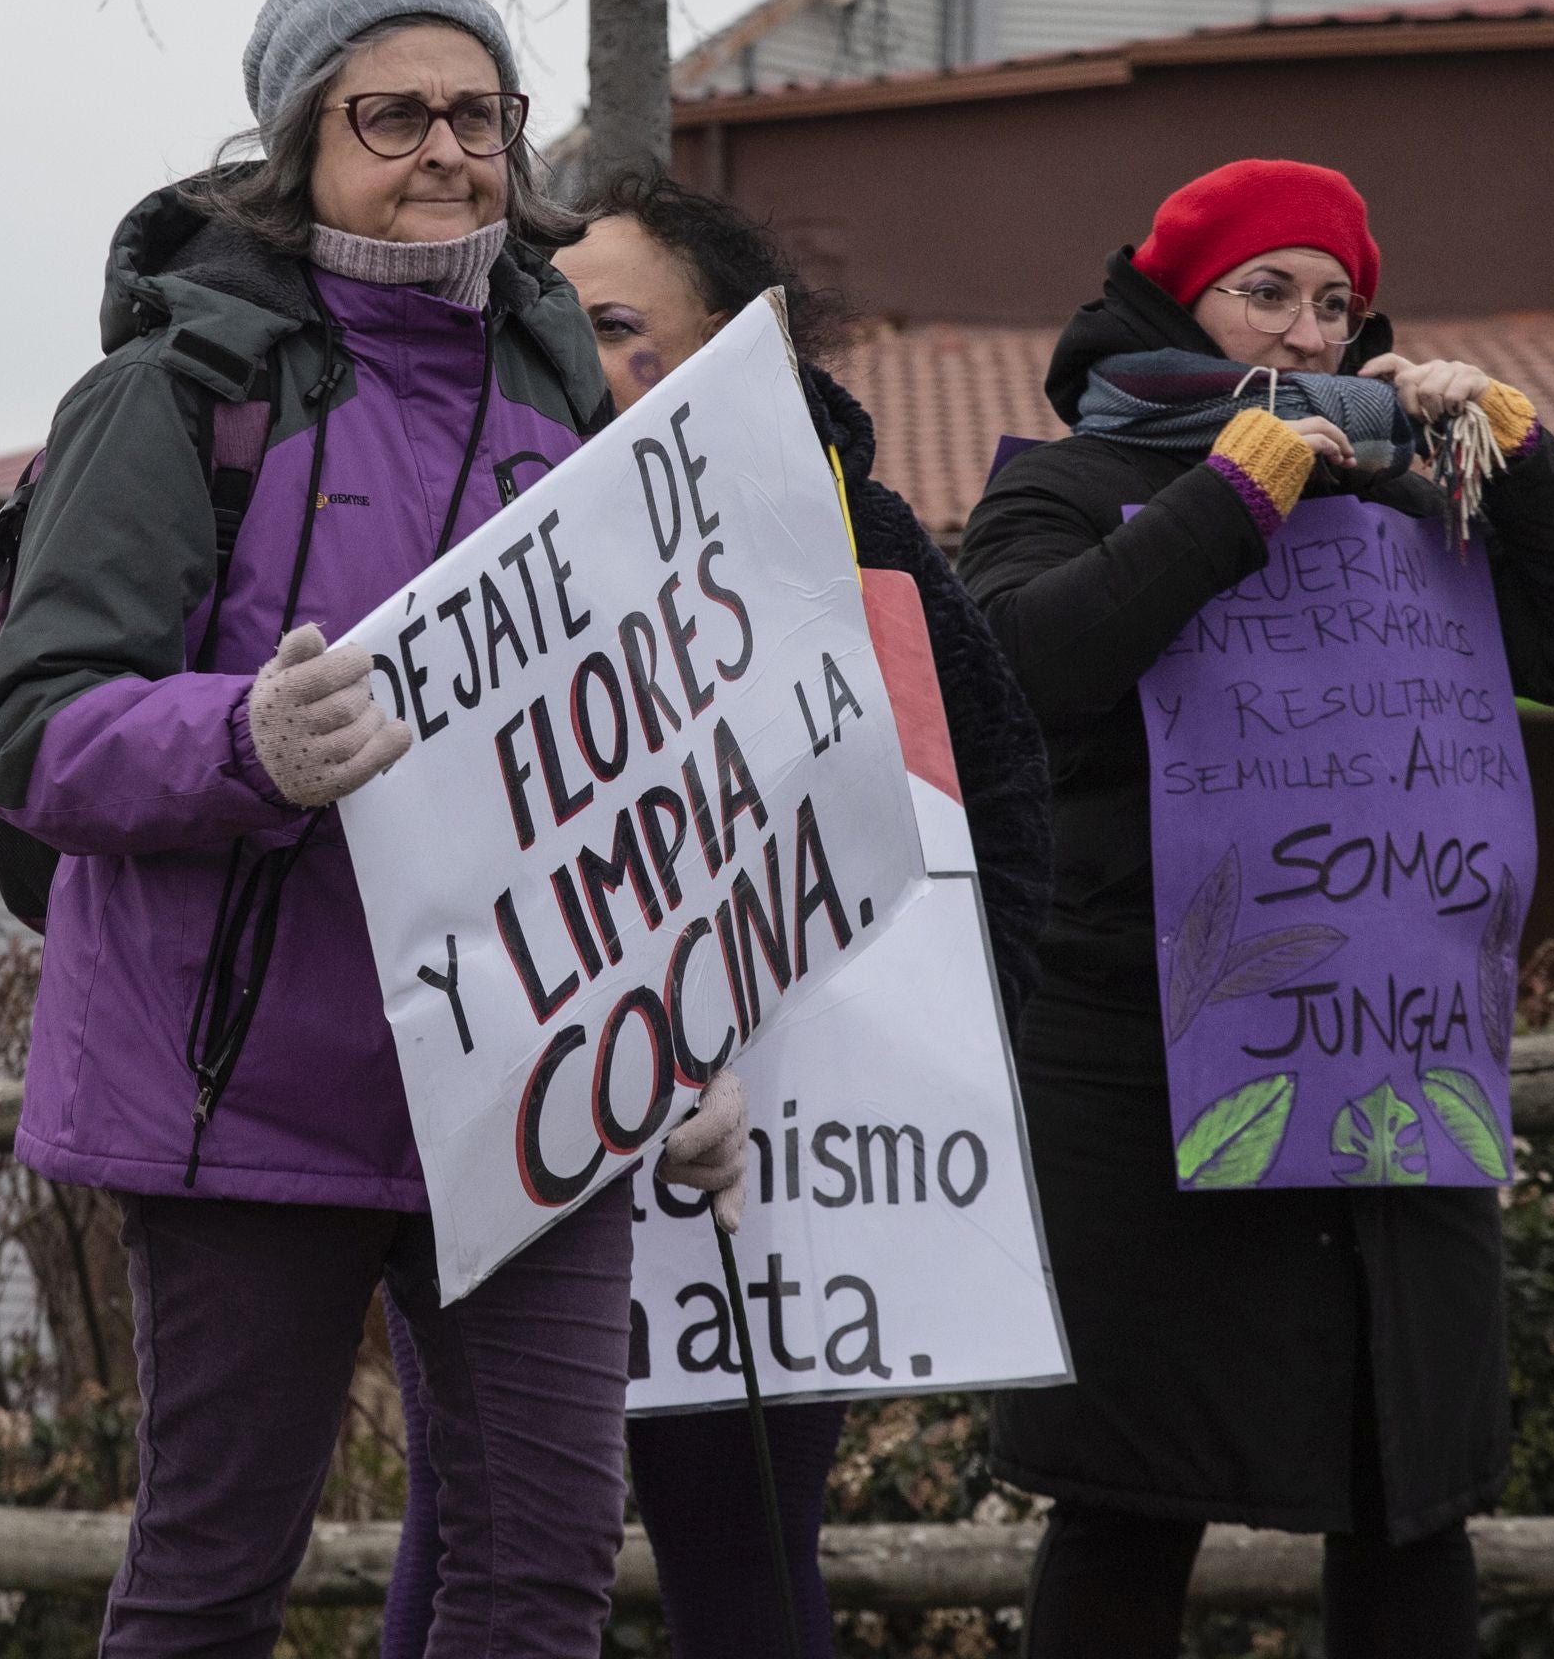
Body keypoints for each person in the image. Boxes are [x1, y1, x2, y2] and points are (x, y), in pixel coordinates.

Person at [0, 0, 746, 1659]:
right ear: (299, 144)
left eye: (478, 113)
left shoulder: (569, 404)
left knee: (542, 1577)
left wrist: (671, 1027)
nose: (445, 152)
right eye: (389, 114)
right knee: (213, 1577)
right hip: (248, 1089)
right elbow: (36, 731)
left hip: (529, 1084)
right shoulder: (170, 395)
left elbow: (633, 760)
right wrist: (240, 739)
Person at [953, 159, 1554, 1657]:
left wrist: (1520, 456)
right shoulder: (1063, 483)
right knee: (1124, 1502)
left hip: (1384, 1071)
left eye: (1337, 301)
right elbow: (1018, 679)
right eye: (1264, 292)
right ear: (1174, 302)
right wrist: (1227, 502)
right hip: (1147, 1090)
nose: (1309, 332)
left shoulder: (1414, 498)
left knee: (1409, 1498)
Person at [376, 174, 1055, 1659]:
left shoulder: (857, 537)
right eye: (549, 320)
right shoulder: (454, 531)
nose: (574, 355)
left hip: (798, 1151)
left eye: (614, 324)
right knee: (477, 1525)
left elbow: (992, 812)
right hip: (514, 1140)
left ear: (727, 351)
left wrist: (952, 1049)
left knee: (746, 1540)